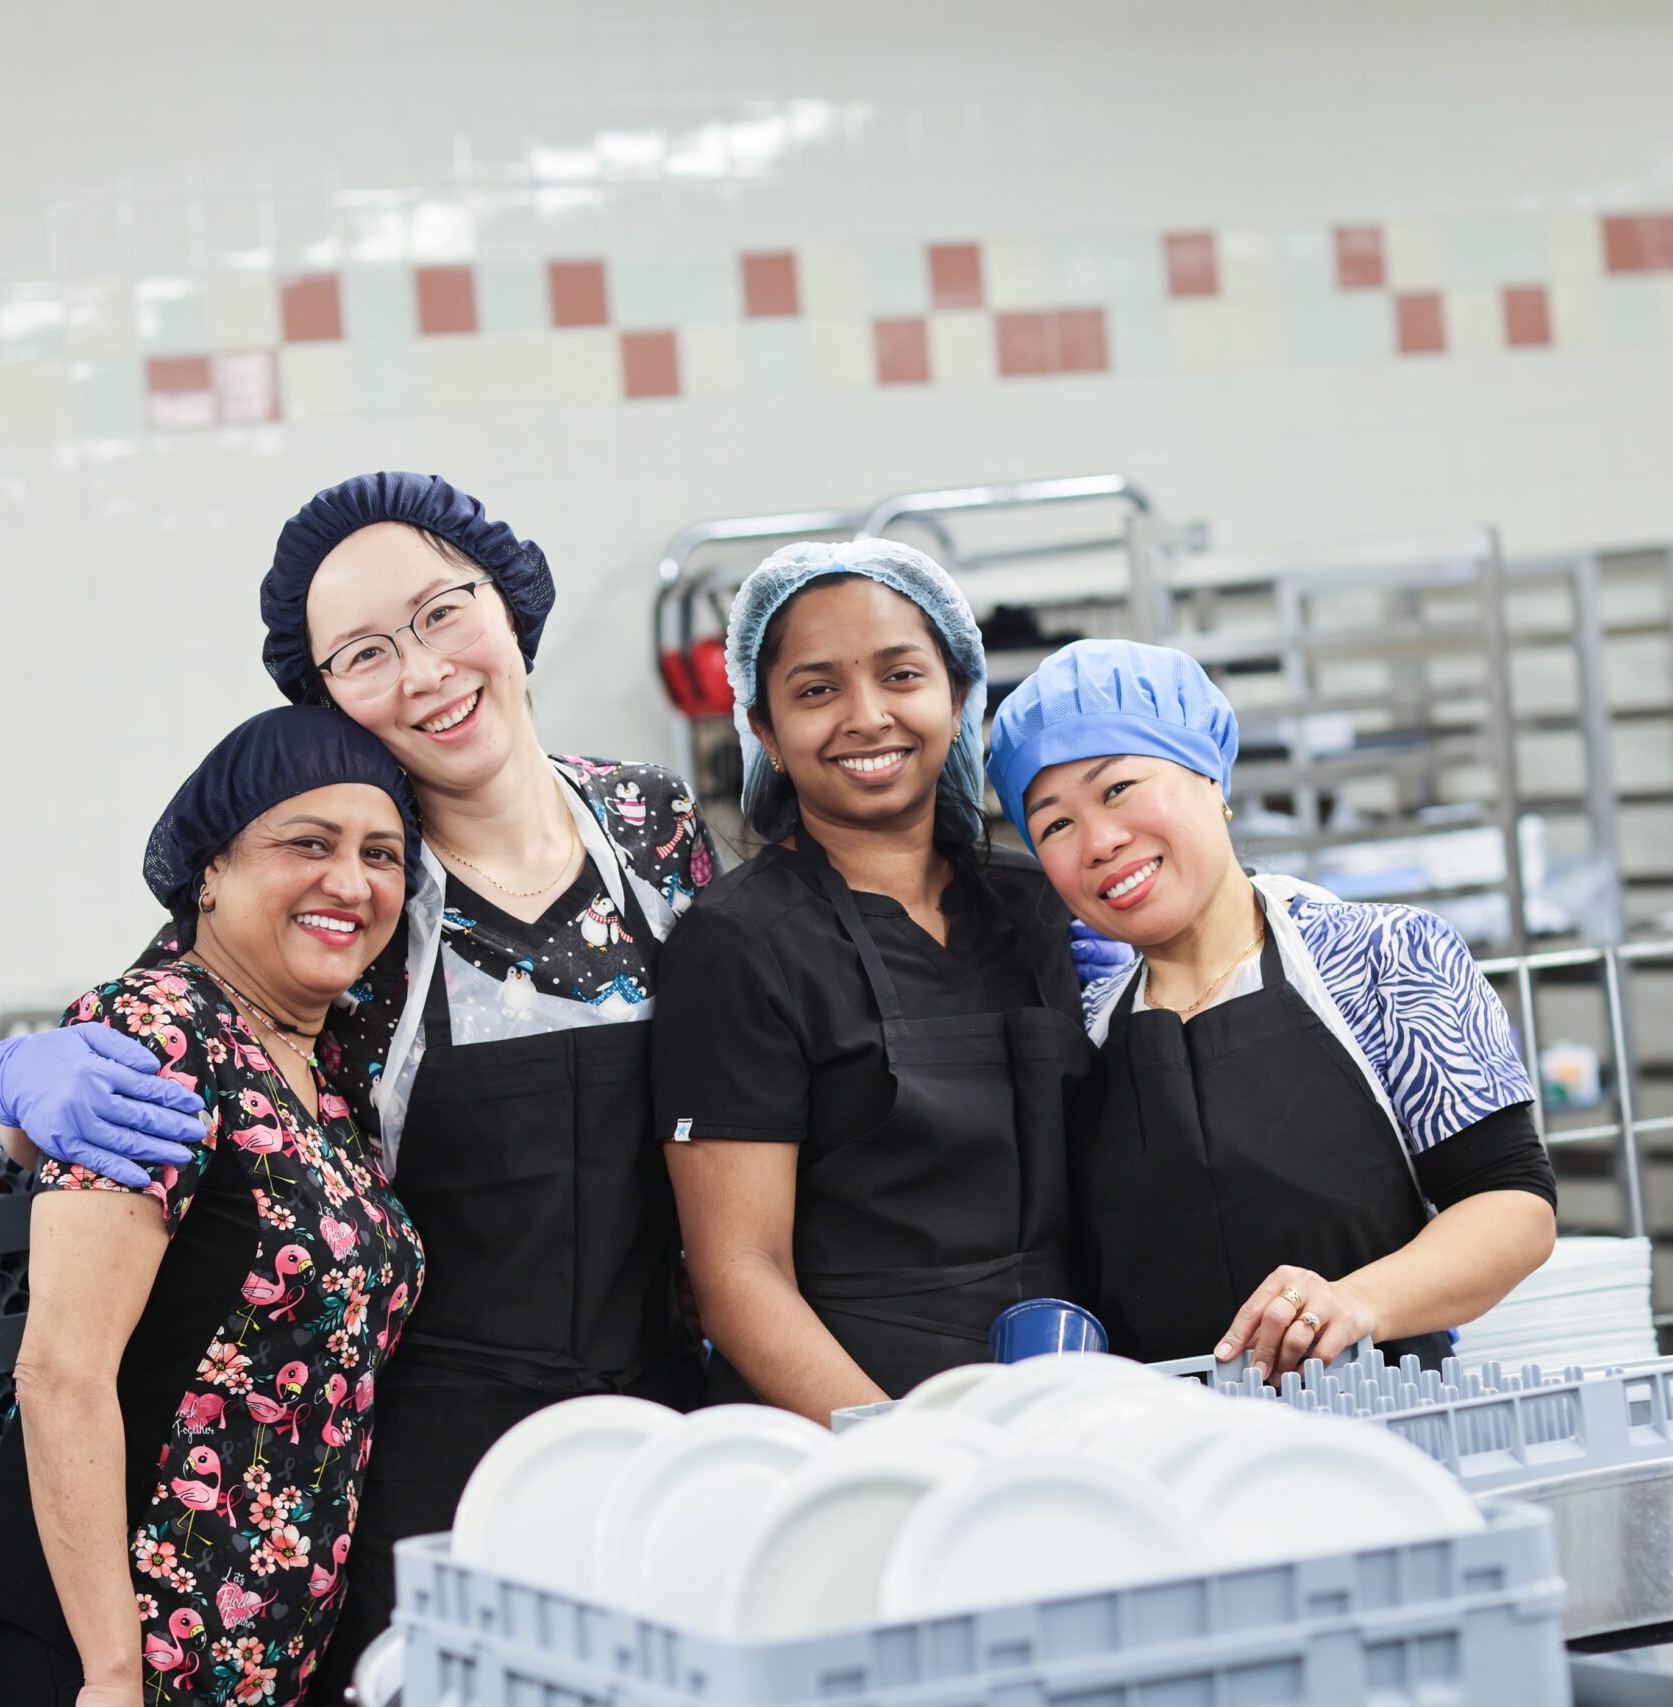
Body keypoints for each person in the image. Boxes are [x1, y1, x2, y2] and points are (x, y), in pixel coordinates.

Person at [0, 473, 712, 1696]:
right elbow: (166, 1058)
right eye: (365, 654)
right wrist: (14, 1089)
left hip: (644, 1426)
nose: (422, 672)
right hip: (420, 1464)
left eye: (441, 613)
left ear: (510, 602)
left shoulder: (650, 825)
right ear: (327, 700)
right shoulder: (347, 883)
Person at [0, 705, 426, 1707]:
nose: (350, 881)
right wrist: (110, 1671)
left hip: (254, 1644)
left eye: (382, 853)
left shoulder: (326, 1067)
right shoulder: (159, 1034)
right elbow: (61, 1371)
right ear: (209, 871)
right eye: (308, 842)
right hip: (112, 1644)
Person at [985, 639, 1557, 1378]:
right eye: (1054, 823)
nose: (1100, 840)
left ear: (1209, 775)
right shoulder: (1082, 1030)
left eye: (1119, 787)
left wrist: (1356, 1302)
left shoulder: (1383, 958)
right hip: (1168, 1466)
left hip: (1389, 1438)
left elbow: (1515, 1207)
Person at [651, 539, 1093, 1423]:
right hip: (848, 1437)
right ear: (766, 731)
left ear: (957, 697)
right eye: (817, 690)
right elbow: (739, 1273)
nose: (866, 716)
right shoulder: (737, 944)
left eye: (901, 676)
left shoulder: (1041, 903)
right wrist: (903, 1450)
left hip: (1065, 1404)